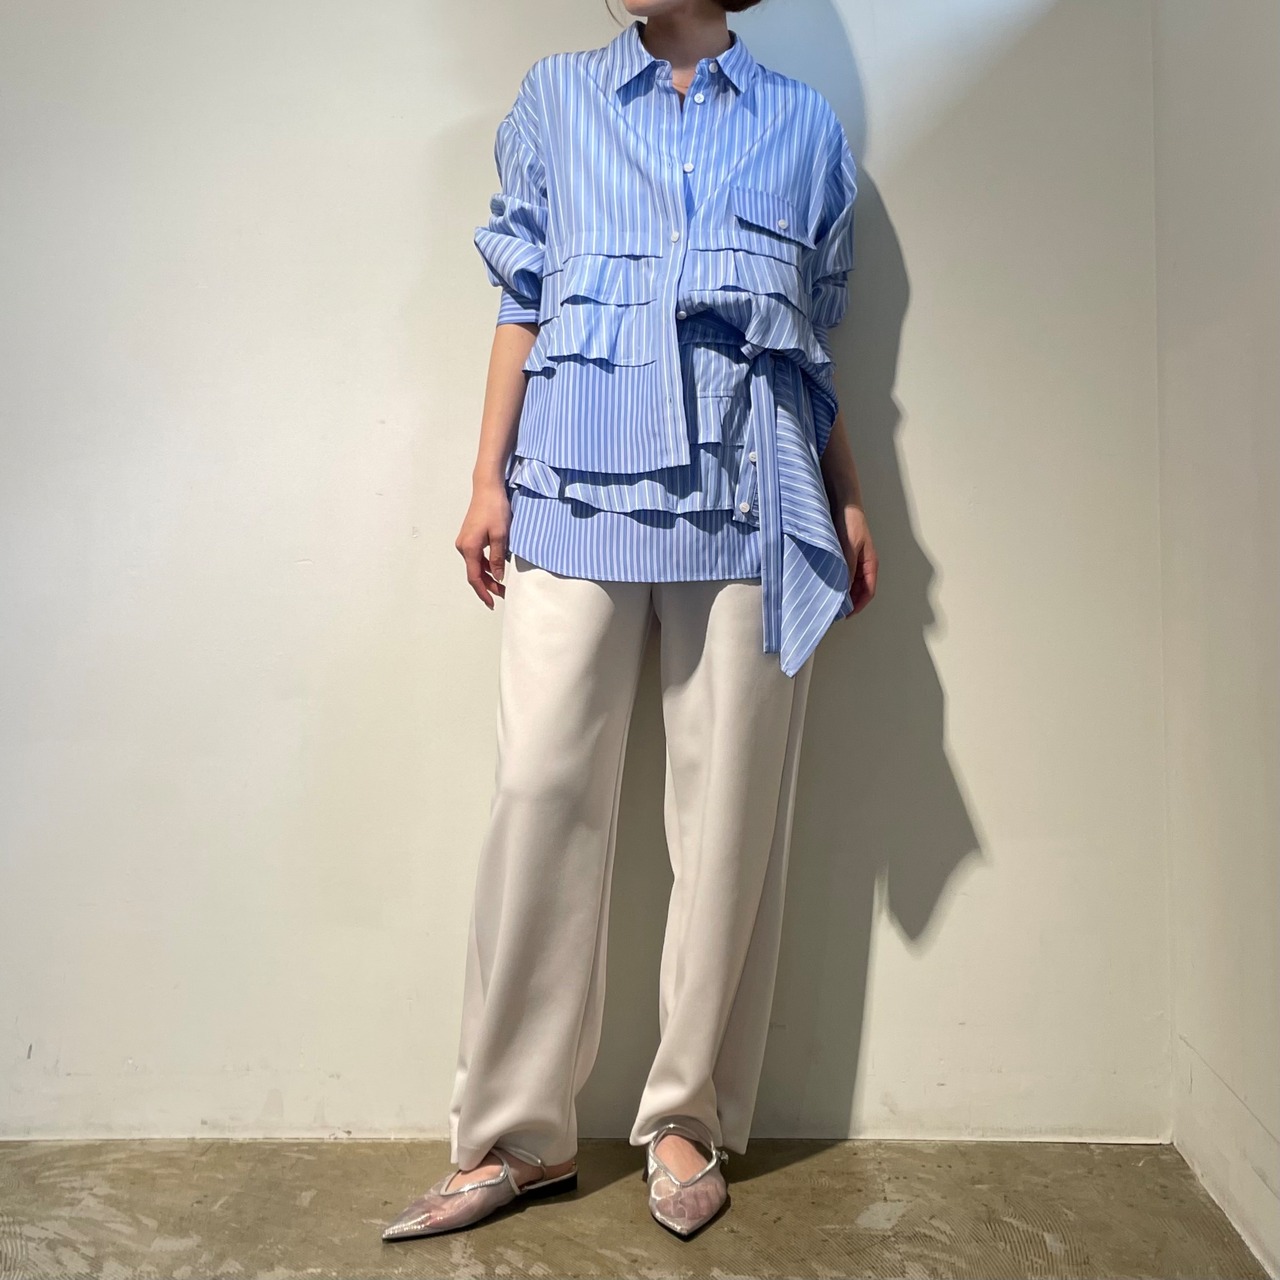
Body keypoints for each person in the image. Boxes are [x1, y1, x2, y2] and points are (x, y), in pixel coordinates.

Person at [383, 0, 877, 1243]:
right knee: (539, 792)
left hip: (750, 492)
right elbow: (521, 293)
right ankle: (514, 1134)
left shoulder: (803, 126)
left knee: (726, 819)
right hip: (571, 479)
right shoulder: (556, 98)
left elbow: (807, 341)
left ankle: (685, 1116)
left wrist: (846, 491)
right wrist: (485, 477)